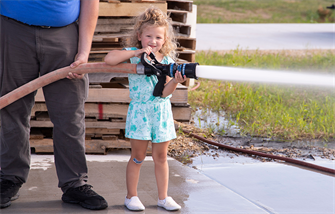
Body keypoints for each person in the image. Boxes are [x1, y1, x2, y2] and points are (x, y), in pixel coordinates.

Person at [0, 0, 108, 210]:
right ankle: (10, 177)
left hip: (65, 35)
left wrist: (84, 52)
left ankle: (74, 183)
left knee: (69, 114)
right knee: (12, 110)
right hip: (12, 31)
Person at [104, 7, 185, 212]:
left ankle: (163, 198)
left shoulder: (166, 60)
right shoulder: (133, 55)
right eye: (148, 36)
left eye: (158, 37)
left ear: (165, 40)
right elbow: (109, 59)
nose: (153, 41)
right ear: (139, 36)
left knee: (161, 158)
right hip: (140, 112)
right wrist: (139, 52)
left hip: (161, 112)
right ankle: (131, 196)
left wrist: (175, 81)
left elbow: (164, 93)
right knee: (137, 157)